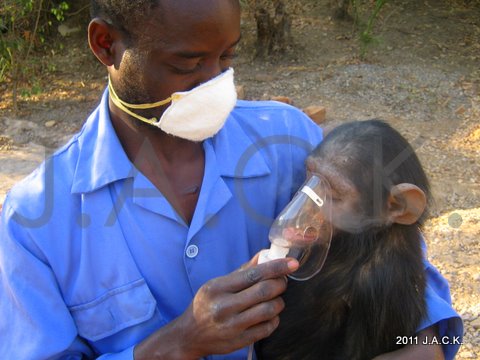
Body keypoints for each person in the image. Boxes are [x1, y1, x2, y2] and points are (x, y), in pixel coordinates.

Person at [0, 1, 461, 359]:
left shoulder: (294, 143)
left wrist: (423, 344)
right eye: (187, 64)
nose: (217, 85)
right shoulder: (36, 221)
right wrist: (180, 343)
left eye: (227, 57)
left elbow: (409, 295)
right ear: (105, 45)